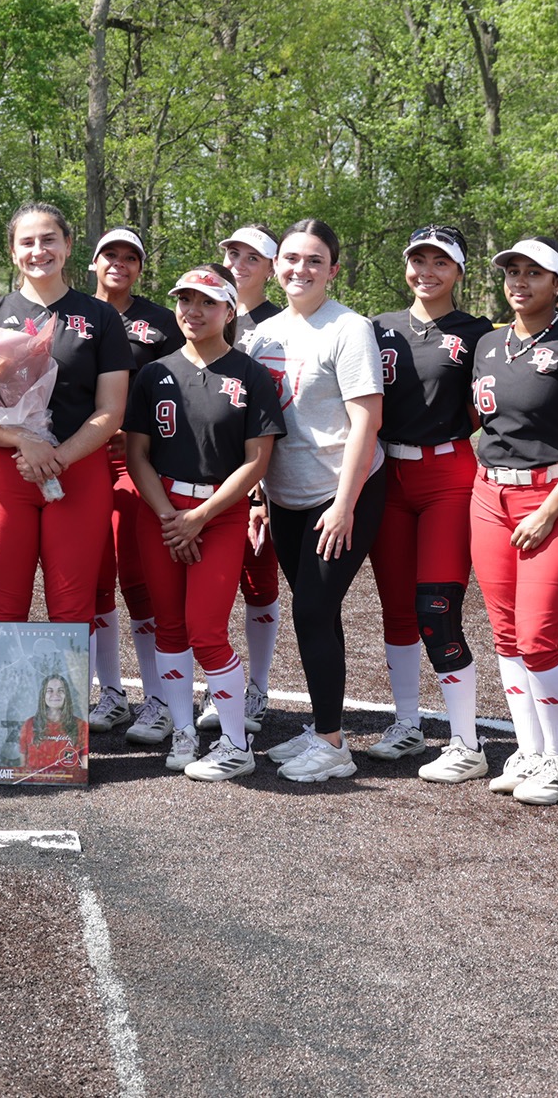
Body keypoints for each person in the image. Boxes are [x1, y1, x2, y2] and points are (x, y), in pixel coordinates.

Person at [469, 237, 558, 805]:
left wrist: (549, 511)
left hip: (555, 499)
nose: (519, 282)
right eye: (512, 272)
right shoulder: (486, 345)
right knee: (505, 635)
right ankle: (528, 750)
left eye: (535, 273)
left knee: (536, 634)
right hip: (489, 498)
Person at [122, 267, 283, 781]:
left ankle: (236, 744)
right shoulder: (154, 373)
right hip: (163, 511)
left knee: (207, 630)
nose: (193, 311)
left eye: (207, 302)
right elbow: (137, 454)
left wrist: (199, 517)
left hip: (219, 511)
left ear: (229, 311)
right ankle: (184, 731)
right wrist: (171, 515)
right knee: (168, 625)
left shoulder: (250, 373)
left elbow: (257, 462)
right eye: (185, 300)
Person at [249, 219, 386, 784]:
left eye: (313, 260)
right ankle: (324, 725)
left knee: (310, 609)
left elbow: (367, 420)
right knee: (316, 613)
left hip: (340, 491)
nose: (299, 269)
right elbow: (258, 425)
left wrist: (345, 502)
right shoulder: (261, 334)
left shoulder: (349, 329)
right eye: (290, 258)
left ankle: (332, 744)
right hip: (286, 496)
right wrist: (259, 496)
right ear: (276, 266)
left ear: (333, 269)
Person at [0, 204, 132, 640]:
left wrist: (57, 456)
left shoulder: (101, 317)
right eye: (28, 242)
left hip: (78, 470)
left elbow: (111, 411)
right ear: (13, 252)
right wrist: (22, 439)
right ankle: (4, 711)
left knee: (73, 608)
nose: (39, 250)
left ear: (69, 246)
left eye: (49, 239)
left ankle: (66, 712)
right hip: (5, 473)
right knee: (1, 606)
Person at [365, 225, 496, 777]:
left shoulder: (479, 332)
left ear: (459, 272)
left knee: (436, 611)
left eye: (440, 261)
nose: (427, 270)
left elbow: (485, 407)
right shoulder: (377, 328)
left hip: (447, 473)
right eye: (417, 259)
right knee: (396, 609)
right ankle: (407, 723)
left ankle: (466, 743)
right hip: (386, 474)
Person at [87, 226, 187, 745]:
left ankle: (159, 699)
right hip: (81, 462)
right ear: (93, 262)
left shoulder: (162, 323)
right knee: (93, 580)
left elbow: (182, 391)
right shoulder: (71, 314)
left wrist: (137, 434)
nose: (119, 264)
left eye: (131, 257)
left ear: (141, 267)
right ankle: (110, 692)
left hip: (134, 463)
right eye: (110, 255)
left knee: (139, 579)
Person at [212, 224, 286, 734]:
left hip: (266, 474)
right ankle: (222, 689)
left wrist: (261, 491)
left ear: (272, 267)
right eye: (232, 252)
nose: (239, 262)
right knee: (209, 588)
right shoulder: (206, 309)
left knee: (258, 585)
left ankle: (256, 689)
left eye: (252, 256)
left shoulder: (285, 323)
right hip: (207, 471)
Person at [18, 673, 83, 774]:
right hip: (35, 783)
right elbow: (22, 766)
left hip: (68, 783)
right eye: (49, 691)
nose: (55, 694)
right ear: (43, 695)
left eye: (60, 690)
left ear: (67, 695)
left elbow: (84, 769)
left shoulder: (80, 725)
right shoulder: (29, 724)